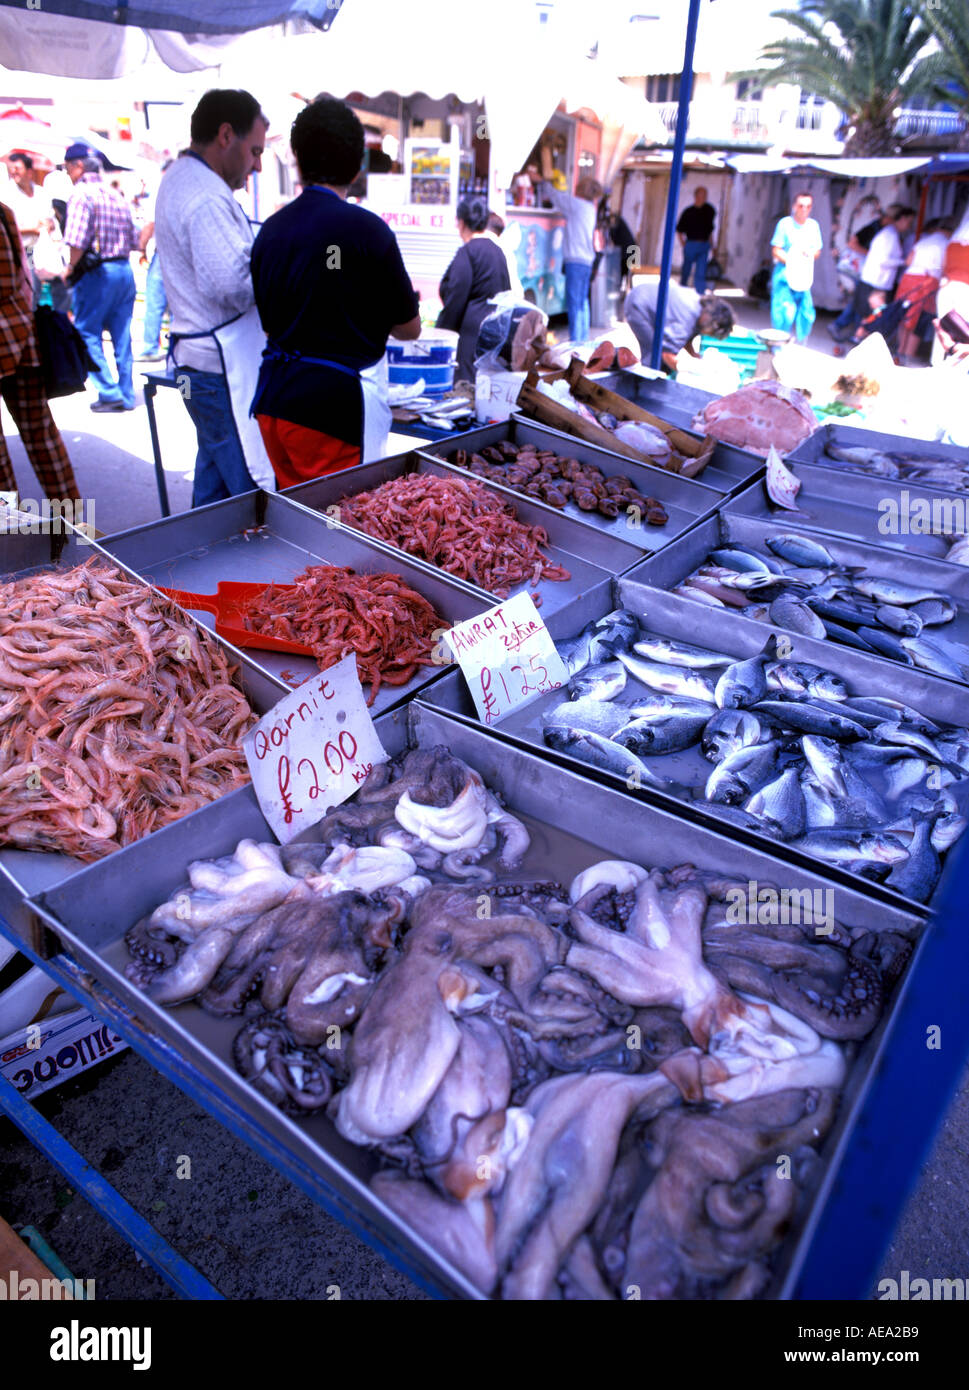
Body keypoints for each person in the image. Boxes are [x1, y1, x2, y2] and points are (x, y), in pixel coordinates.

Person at [250, 97, 420, 488]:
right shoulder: (367, 231)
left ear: (297, 158)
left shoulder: (270, 230)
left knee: (296, 521)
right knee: (342, 526)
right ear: (357, 162)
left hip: (275, 403)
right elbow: (409, 328)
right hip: (332, 413)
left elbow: (270, 323)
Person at [154, 90, 273, 506]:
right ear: (226, 135)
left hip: (197, 364)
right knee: (249, 495)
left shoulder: (184, 177)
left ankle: (193, 568)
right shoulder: (204, 194)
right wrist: (279, 266)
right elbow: (233, 285)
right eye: (254, 151)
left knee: (214, 486)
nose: (257, 165)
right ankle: (260, 567)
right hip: (214, 369)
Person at [0, 198, 79, 501]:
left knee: (28, 443)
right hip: (19, 329)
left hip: (12, 333)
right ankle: (69, 521)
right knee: (42, 436)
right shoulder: (4, 209)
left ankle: (11, 530)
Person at [63, 145, 140, 413]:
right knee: (121, 334)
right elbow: (135, 239)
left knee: (85, 331)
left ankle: (109, 392)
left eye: (66, 167)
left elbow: (76, 240)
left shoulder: (81, 195)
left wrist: (69, 267)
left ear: (78, 166)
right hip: (123, 269)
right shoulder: (116, 195)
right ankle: (126, 393)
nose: (67, 173)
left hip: (98, 273)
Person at [437, 197, 511, 385]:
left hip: (470, 336)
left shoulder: (468, 252)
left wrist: (441, 333)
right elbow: (506, 292)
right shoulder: (497, 250)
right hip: (495, 331)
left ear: (461, 223)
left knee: (466, 390)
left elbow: (456, 296)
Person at [527, 166, 601, 341]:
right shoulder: (590, 208)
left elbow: (556, 196)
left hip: (575, 260)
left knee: (574, 303)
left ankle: (576, 343)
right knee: (583, 302)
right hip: (587, 260)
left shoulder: (577, 205)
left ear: (581, 190)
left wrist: (541, 181)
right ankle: (583, 339)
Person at [4, 152, 71, 315]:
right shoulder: (7, 195)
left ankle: (60, 326)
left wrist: (48, 225)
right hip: (23, 251)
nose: (14, 172)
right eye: (11, 169)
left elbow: (51, 220)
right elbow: (8, 227)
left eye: (17, 168)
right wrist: (32, 228)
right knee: (31, 293)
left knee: (61, 289)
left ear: (29, 171)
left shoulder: (42, 193)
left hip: (46, 249)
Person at [624, 280, 734, 372]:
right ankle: (646, 384)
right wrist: (688, 371)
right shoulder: (686, 321)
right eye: (711, 334)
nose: (709, 335)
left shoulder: (699, 306)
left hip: (645, 295)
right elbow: (667, 352)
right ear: (711, 322)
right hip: (638, 306)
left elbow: (689, 337)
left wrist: (695, 356)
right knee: (654, 351)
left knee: (661, 354)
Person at [770, 192, 823, 344]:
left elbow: (817, 251)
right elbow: (776, 249)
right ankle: (778, 344)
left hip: (804, 276)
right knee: (784, 313)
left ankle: (801, 343)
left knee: (806, 313)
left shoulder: (813, 226)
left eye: (808, 206)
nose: (804, 209)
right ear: (795, 207)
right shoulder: (784, 224)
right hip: (785, 275)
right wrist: (793, 262)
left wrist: (807, 256)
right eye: (801, 205)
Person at [895, 218, 951, 362]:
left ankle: (899, 350)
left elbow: (908, 261)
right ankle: (908, 355)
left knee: (905, 315)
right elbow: (941, 268)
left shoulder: (923, 241)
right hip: (927, 280)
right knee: (920, 319)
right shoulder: (945, 244)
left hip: (908, 278)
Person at [134, 162, 172, 361]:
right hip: (182, 256)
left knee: (155, 301)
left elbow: (150, 224)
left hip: (163, 253)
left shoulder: (160, 190)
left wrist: (141, 249)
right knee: (177, 305)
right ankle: (175, 348)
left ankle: (150, 347)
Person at [853, 205, 916, 323]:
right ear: (902, 219)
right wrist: (903, 262)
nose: (909, 226)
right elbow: (883, 261)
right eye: (909, 222)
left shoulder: (892, 234)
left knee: (869, 317)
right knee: (869, 317)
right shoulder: (890, 236)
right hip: (875, 282)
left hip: (876, 281)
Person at [932, 203, 969, 368]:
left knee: (943, 326)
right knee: (962, 329)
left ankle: (936, 362)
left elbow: (943, 267)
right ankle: (957, 363)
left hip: (946, 286)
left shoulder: (952, 244)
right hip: (964, 289)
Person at [676, 185, 716, 294]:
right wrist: (684, 245)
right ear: (696, 196)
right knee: (686, 270)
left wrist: (713, 246)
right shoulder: (688, 212)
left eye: (705, 195)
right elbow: (679, 230)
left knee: (700, 272)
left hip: (704, 244)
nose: (703, 197)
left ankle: (700, 295)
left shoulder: (709, 210)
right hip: (691, 244)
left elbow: (710, 230)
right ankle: (682, 291)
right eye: (701, 195)